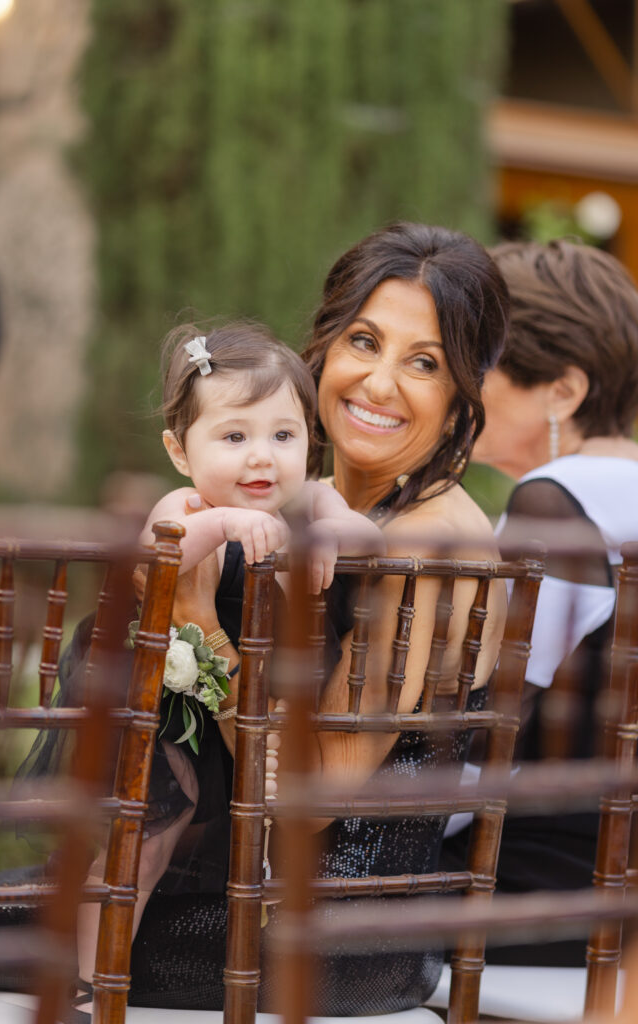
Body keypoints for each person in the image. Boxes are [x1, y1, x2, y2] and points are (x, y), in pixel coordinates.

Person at [125, 222, 510, 1015]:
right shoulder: (310, 506)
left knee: (16, 922)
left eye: (424, 362)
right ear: (324, 346)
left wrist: (194, 620)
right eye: (363, 341)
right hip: (261, 896)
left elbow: (308, 791)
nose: (376, 383)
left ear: (463, 392)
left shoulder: (428, 540)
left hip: (338, 938)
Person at [68, 321, 384, 1017]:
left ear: (310, 440)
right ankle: (91, 979)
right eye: (233, 437)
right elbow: (163, 553)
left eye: (283, 435)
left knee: (251, 845)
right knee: (144, 844)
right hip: (158, 703)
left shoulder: (311, 504)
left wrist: (331, 531)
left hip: (248, 708)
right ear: (180, 452)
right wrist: (224, 527)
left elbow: (368, 538)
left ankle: (248, 965)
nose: (260, 459)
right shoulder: (186, 507)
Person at [442, 239, 638, 966]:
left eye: (479, 363)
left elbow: (483, 742)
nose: (459, 385)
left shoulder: (556, 503)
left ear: (562, 389)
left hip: (526, 893)